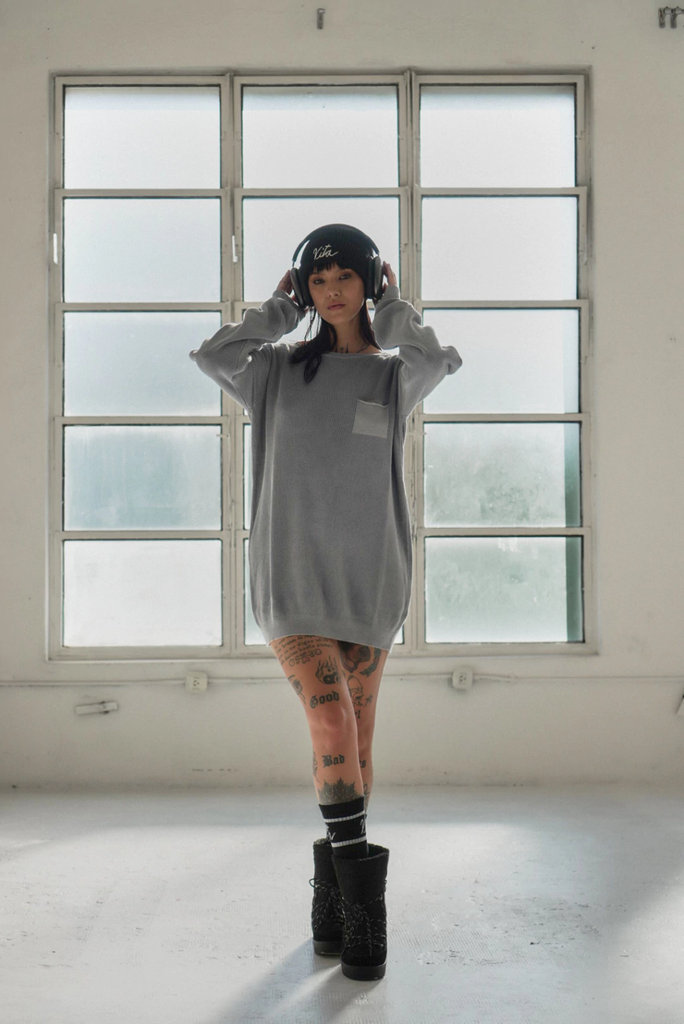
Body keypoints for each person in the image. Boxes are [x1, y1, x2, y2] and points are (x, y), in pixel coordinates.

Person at [189, 223, 463, 981]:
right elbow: (212, 356)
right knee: (331, 718)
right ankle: (367, 914)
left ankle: (332, 905)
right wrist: (276, 312)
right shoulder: (275, 371)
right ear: (304, 289)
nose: (332, 290)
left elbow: (439, 358)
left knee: (358, 738)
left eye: (346, 277)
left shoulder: (393, 376)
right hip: (292, 578)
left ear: (369, 283)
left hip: (371, 578)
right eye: (318, 279)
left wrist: (395, 310)